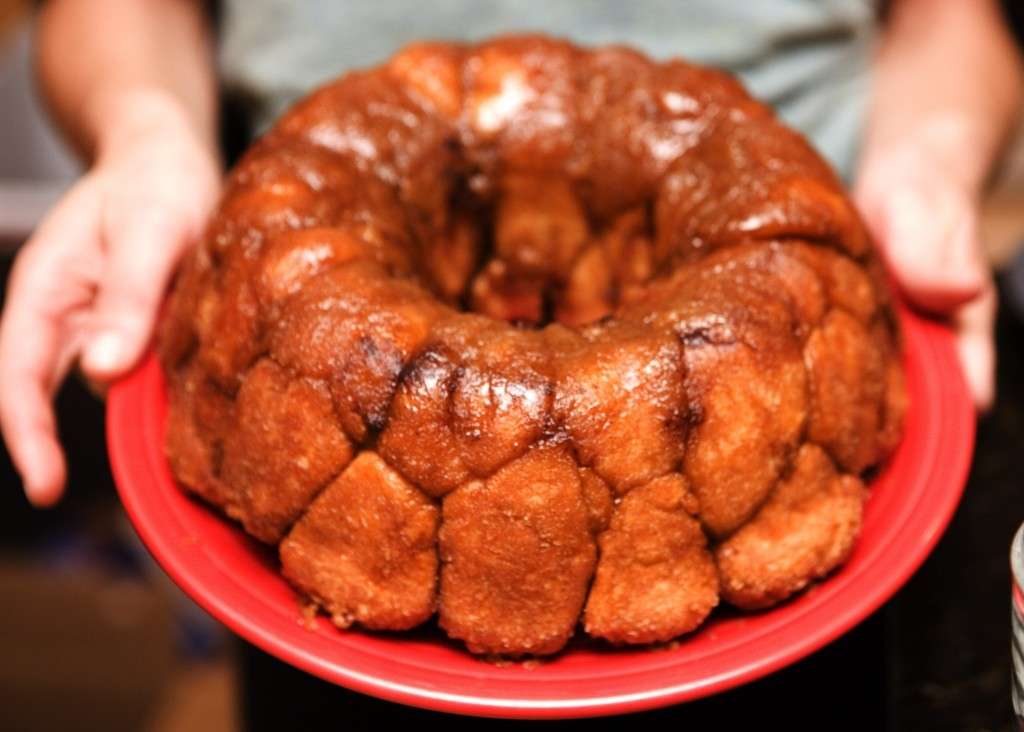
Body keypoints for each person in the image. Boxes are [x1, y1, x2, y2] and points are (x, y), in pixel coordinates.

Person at [1, 0, 1021, 508]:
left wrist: (929, 158)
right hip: (319, 357)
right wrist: (143, 127)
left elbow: (950, 23)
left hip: (792, 314)